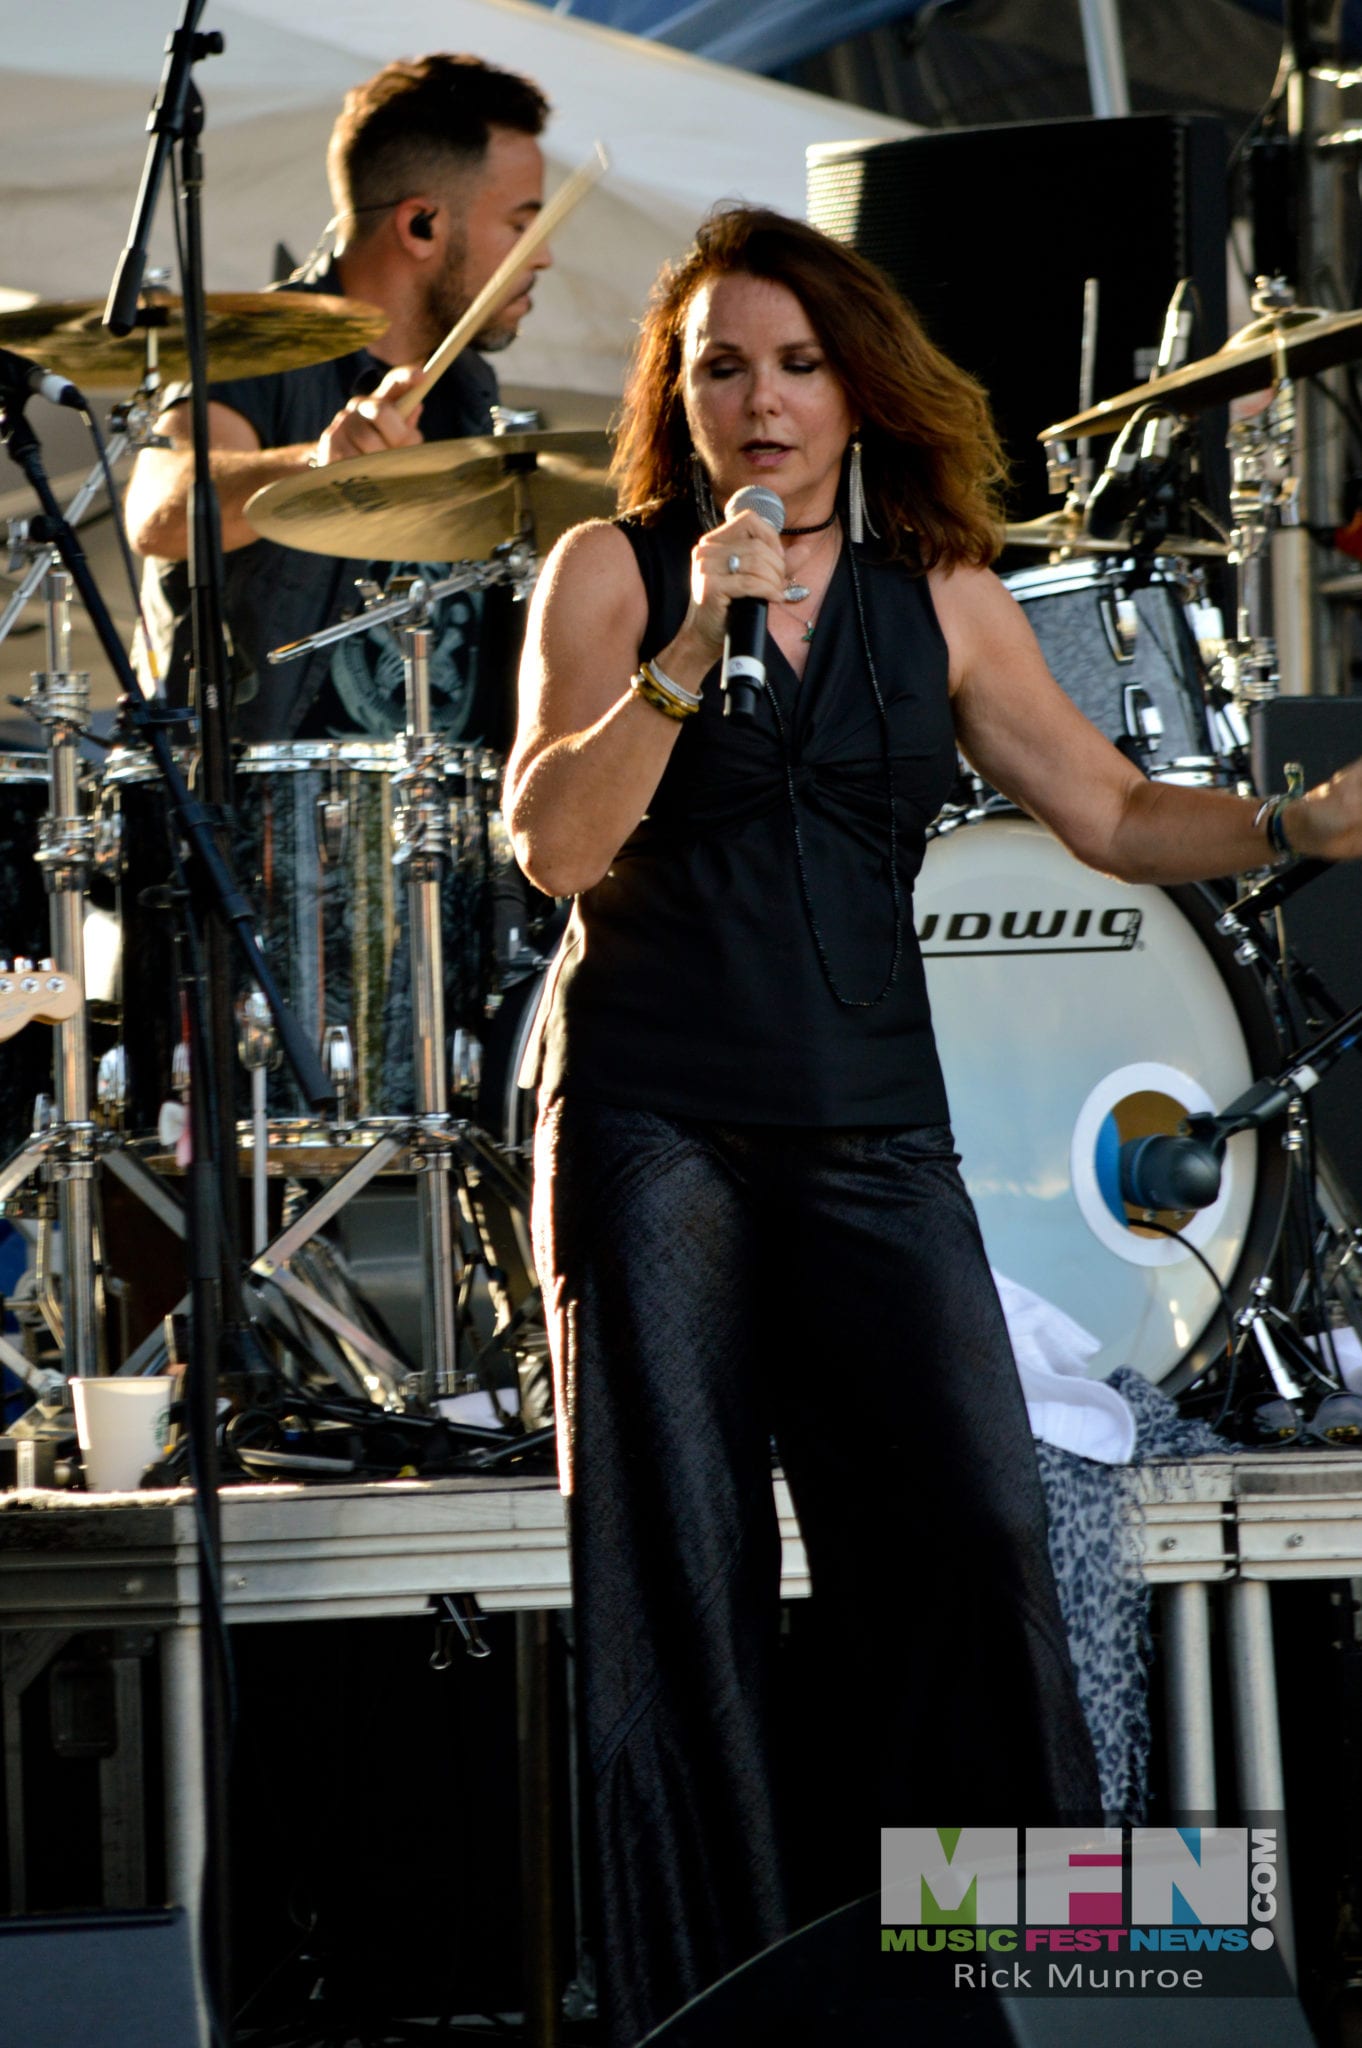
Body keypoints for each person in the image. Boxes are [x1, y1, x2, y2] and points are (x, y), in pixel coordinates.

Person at [504, 205, 1362, 2044]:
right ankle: (708, 2016)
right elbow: (555, 847)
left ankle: (1011, 1995)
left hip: (870, 1124)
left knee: (971, 1539)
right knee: (680, 1580)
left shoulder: (947, 592)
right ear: (675, 392)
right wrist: (698, 634)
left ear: (858, 388)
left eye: (796, 364)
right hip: (655, 1118)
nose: (760, 400)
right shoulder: (613, 572)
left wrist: (1293, 827)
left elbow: (1111, 817)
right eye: (720, 367)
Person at [125, 52, 552, 743]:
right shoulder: (262, 344)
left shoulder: (474, 391)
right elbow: (159, 511)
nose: (543, 256)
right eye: (521, 226)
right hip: (261, 805)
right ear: (421, 225)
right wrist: (323, 467)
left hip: (442, 805)